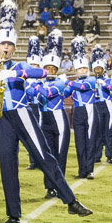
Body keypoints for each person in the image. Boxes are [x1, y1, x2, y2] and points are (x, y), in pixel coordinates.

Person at [0, 0, 92, 223]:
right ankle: (13, 216)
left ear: (14, 47)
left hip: (23, 113)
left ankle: (70, 200)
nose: (6, 48)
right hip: (2, 119)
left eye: (10, 44)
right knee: (7, 166)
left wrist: (17, 73)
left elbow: (41, 72)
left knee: (44, 156)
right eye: (3, 45)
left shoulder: (20, 66)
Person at [37, 33, 72, 196]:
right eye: (47, 68)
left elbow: (47, 93)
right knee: (47, 155)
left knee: (60, 154)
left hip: (59, 119)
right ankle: (49, 187)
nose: (50, 71)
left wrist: (35, 86)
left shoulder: (59, 82)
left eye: (53, 69)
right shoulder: (41, 82)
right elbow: (33, 97)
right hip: (45, 120)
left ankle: (60, 186)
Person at [67, 38, 98, 179]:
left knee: (90, 140)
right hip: (78, 111)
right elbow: (63, 94)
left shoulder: (91, 80)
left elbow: (82, 87)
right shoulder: (73, 82)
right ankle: (82, 171)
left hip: (90, 111)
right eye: (79, 69)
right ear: (75, 69)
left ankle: (90, 170)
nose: (82, 70)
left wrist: (67, 82)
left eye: (84, 68)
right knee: (79, 142)